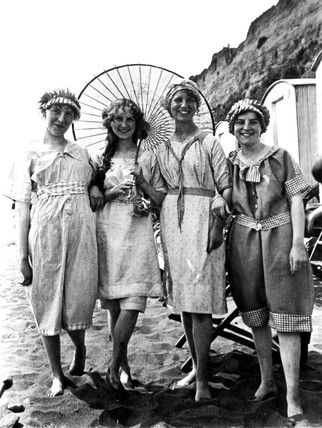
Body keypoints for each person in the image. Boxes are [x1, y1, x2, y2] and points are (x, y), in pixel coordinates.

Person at [225, 99, 314, 423]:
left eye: (252, 121)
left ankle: (292, 397)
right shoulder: (229, 162)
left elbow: (295, 200)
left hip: (280, 238)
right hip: (244, 241)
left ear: (262, 125)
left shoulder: (280, 157)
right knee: (256, 314)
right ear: (233, 127)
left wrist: (297, 245)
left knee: (287, 315)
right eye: (240, 122)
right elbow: (222, 198)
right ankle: (266, 381)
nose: (246, 127)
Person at [7, 89, 98, 397]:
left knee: (79, 298)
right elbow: (23, 206)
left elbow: (99, 181)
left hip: (82, 232)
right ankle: (56, 374)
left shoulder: (83, 152)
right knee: (46, 301)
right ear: (44, 112)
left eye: (68, 114)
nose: (61, 119)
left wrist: (97, 189)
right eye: (55, 112)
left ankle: (80, 350)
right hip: (45, 231)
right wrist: (22, 257)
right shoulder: (30, 152)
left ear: (74, 118)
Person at [155, 79, 232, 401]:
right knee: (185, 302)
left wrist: (219, 215)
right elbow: (158, 196)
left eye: (189, 99)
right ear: (168, 107)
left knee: (200, 302)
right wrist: (142, 183)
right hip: (172, 220)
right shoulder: (160, 148)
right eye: (177, 100)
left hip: (204, 217)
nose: (184, 105)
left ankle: (202, 380)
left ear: (196, 106)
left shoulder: (210, 142)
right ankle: (197, 369)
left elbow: (225, 186)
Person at [92, 98, 166, 392]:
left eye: (129, 120)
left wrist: (143, 189)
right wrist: (110, 191)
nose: (123, 125)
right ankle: (123, 369)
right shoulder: (99, 160)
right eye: (118, 120)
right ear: (109, 123)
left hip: (136, 228)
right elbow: (93, 200)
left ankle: (112, 366)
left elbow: (158, 200)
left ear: (138, 125)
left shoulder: (148, 157)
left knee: (133, 299)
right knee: (115, 304)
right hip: (109, 229)